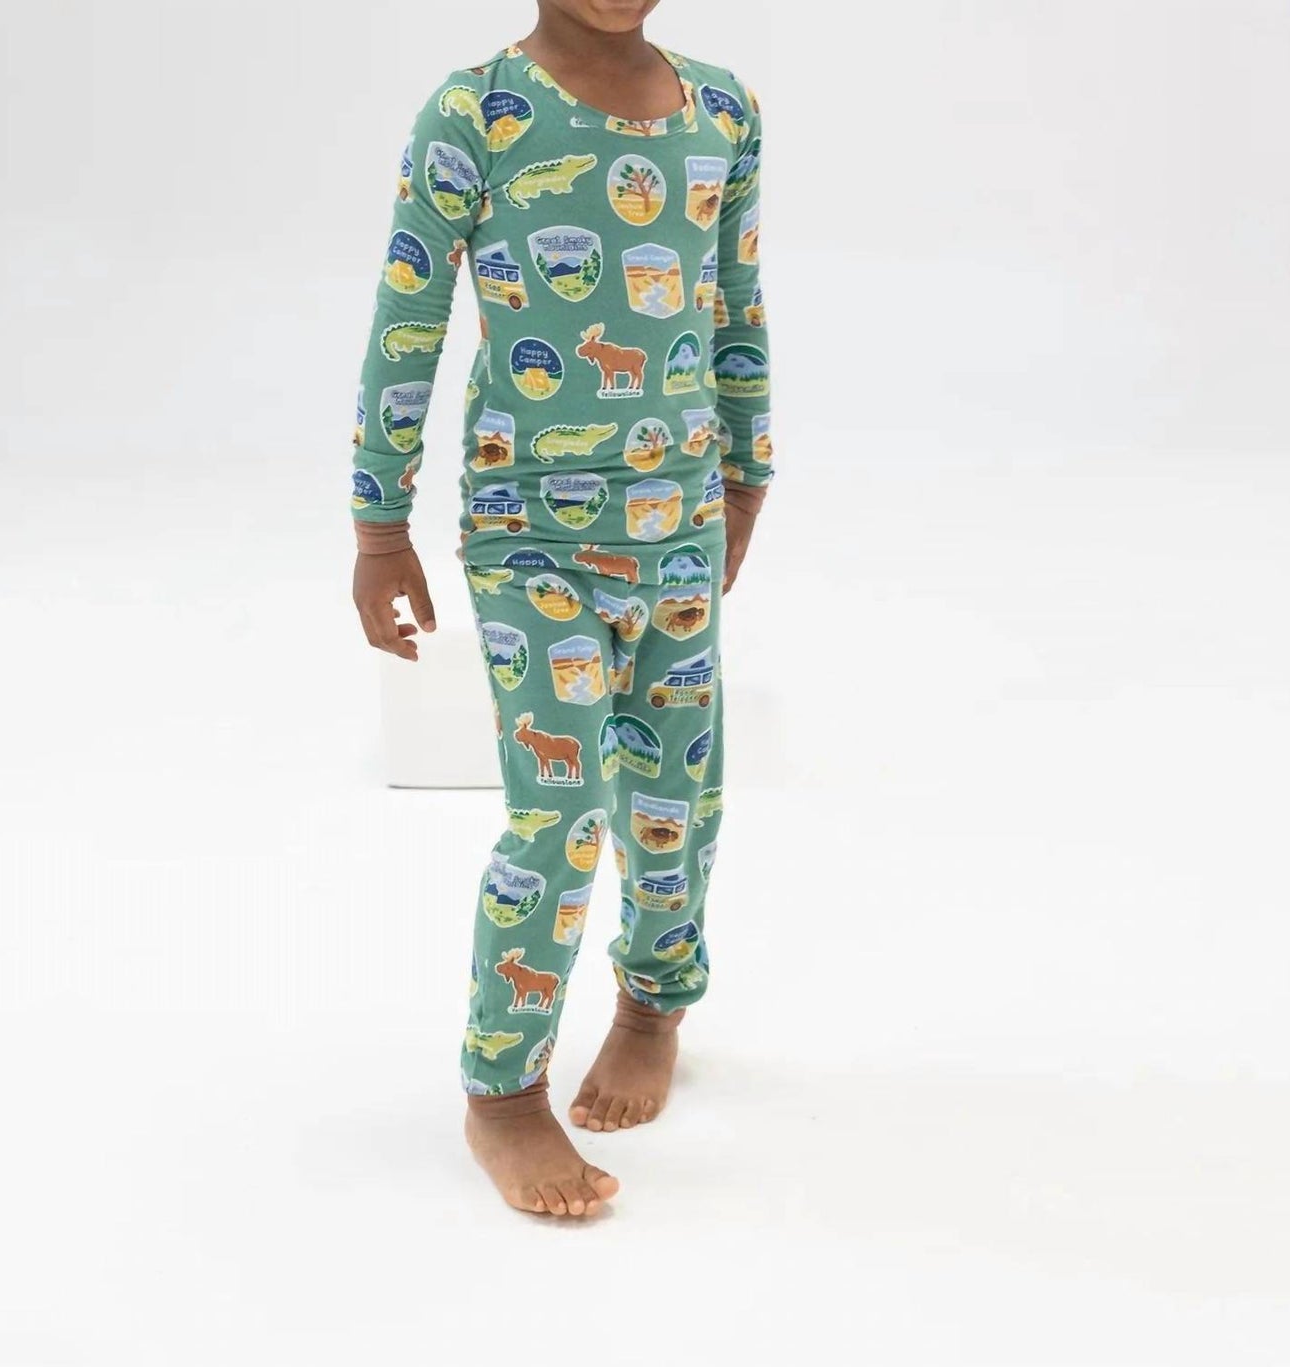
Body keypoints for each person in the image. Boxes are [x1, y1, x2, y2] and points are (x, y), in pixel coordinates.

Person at [346, 0, 775, 1217]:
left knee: (677, 792)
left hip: (678, 520)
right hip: (529, 530)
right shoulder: (475, 114)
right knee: (563, 806)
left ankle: (652, 1003)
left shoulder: (722, 109)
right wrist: (379, 524)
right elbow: (407, 320)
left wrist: (745, 474)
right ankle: (503, 1088)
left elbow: (733, 302)